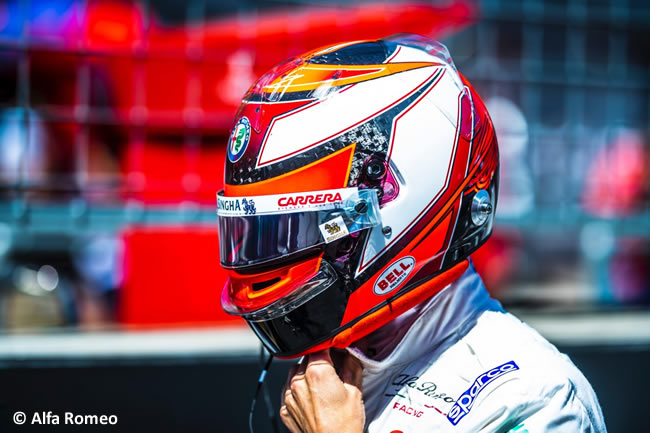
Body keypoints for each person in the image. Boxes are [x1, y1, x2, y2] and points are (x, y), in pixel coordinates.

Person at [217, 34, 606, 433]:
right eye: (257, 232)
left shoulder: (532, 400)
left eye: (294, 230)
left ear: (397, 207)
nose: (267, 262)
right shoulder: (325, 378)